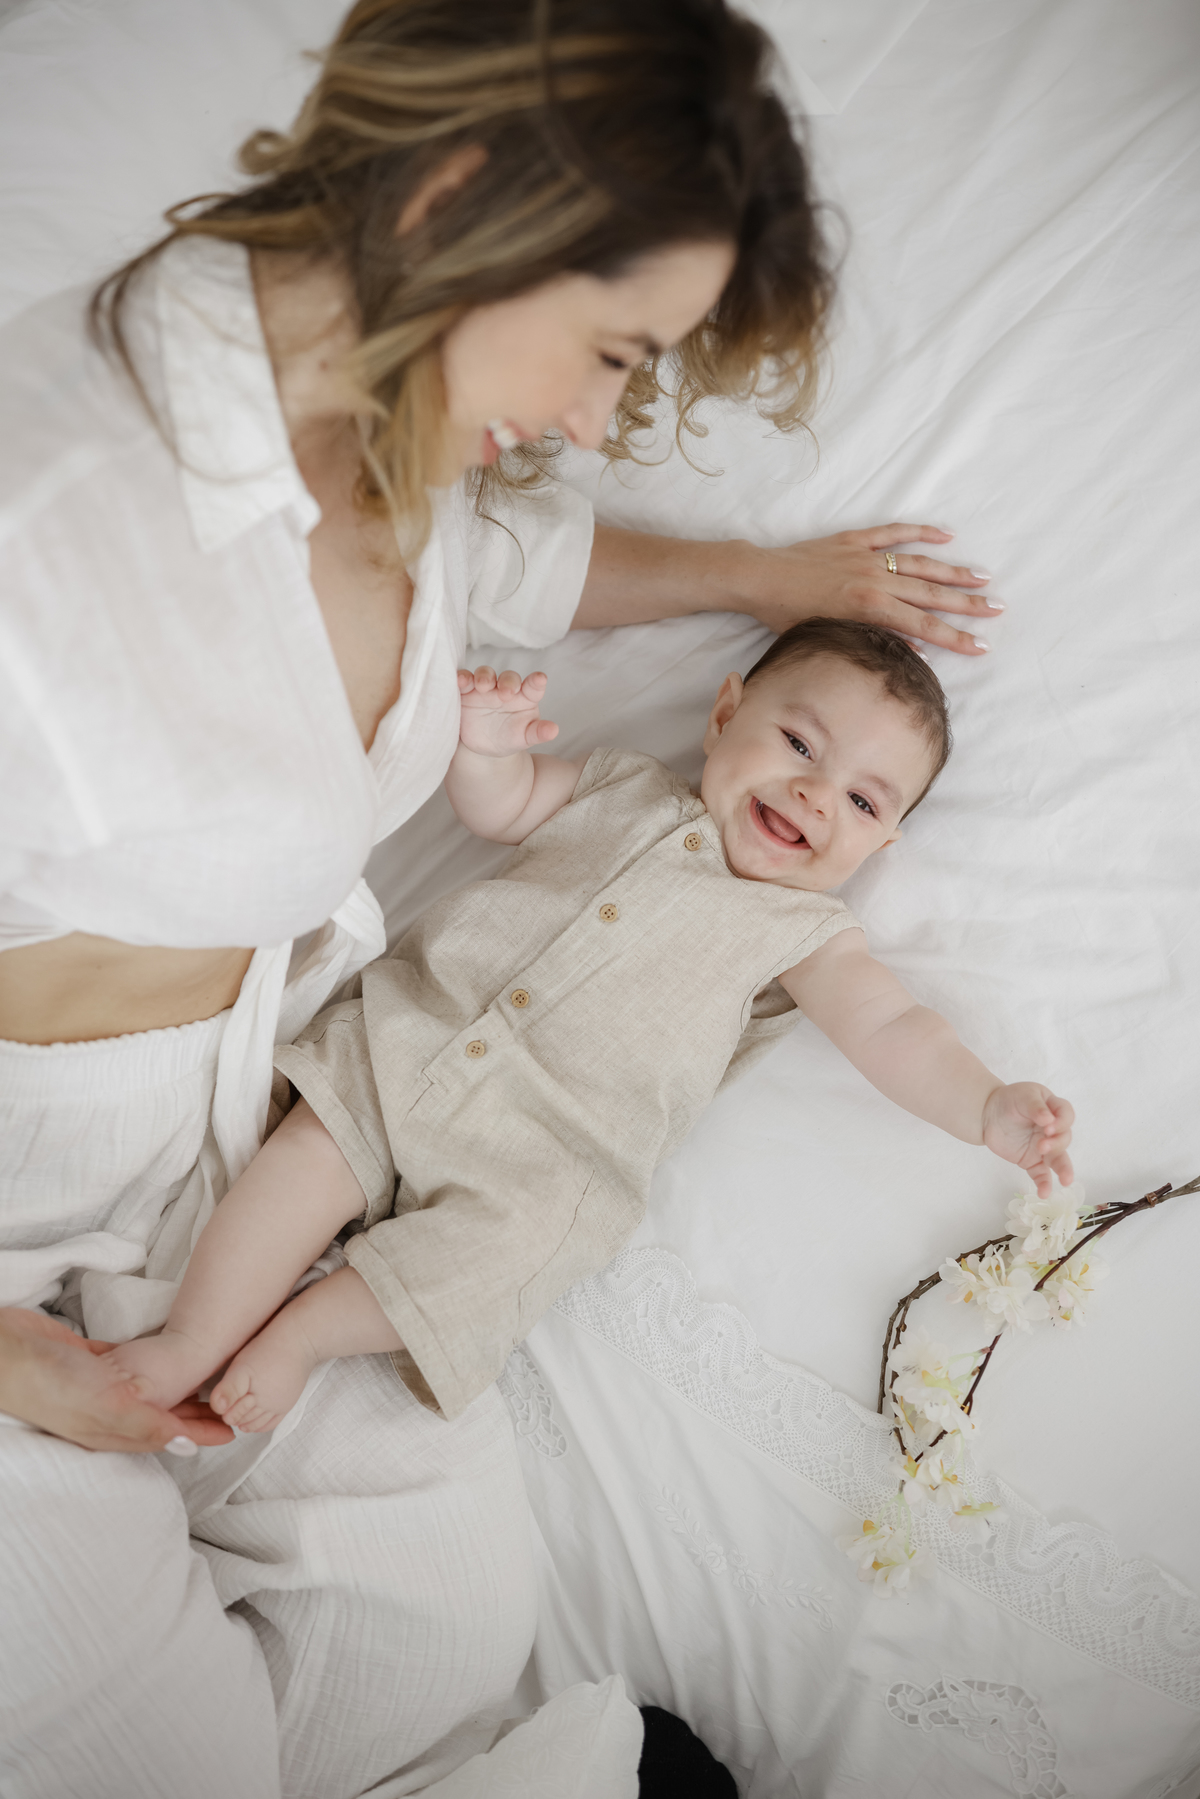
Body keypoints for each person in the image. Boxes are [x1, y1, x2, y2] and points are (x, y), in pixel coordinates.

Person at [0, 2, 1002, 1794]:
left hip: (247, 1110)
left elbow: (525, 562)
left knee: (442, 1625)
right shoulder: (47, 530)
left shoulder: (401, 429)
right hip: (17, 1201)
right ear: (464, 191)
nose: (600, 415)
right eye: (616, 352)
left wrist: (785, 578)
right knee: (178, 1757)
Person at [110, 619, 1075, 1437]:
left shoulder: (808, 933)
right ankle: (190, 1337)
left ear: (883, 841)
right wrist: (483, 746)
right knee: (306, 1155)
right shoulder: (621, 787)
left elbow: (893, 1029)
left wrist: (986, 1105)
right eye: (800, 745)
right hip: (413, 1041)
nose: (818, 794)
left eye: (864, 800)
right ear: (725, 712)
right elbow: (505, 805)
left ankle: (306, 1332)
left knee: (503, 1260)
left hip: (553, 1159)